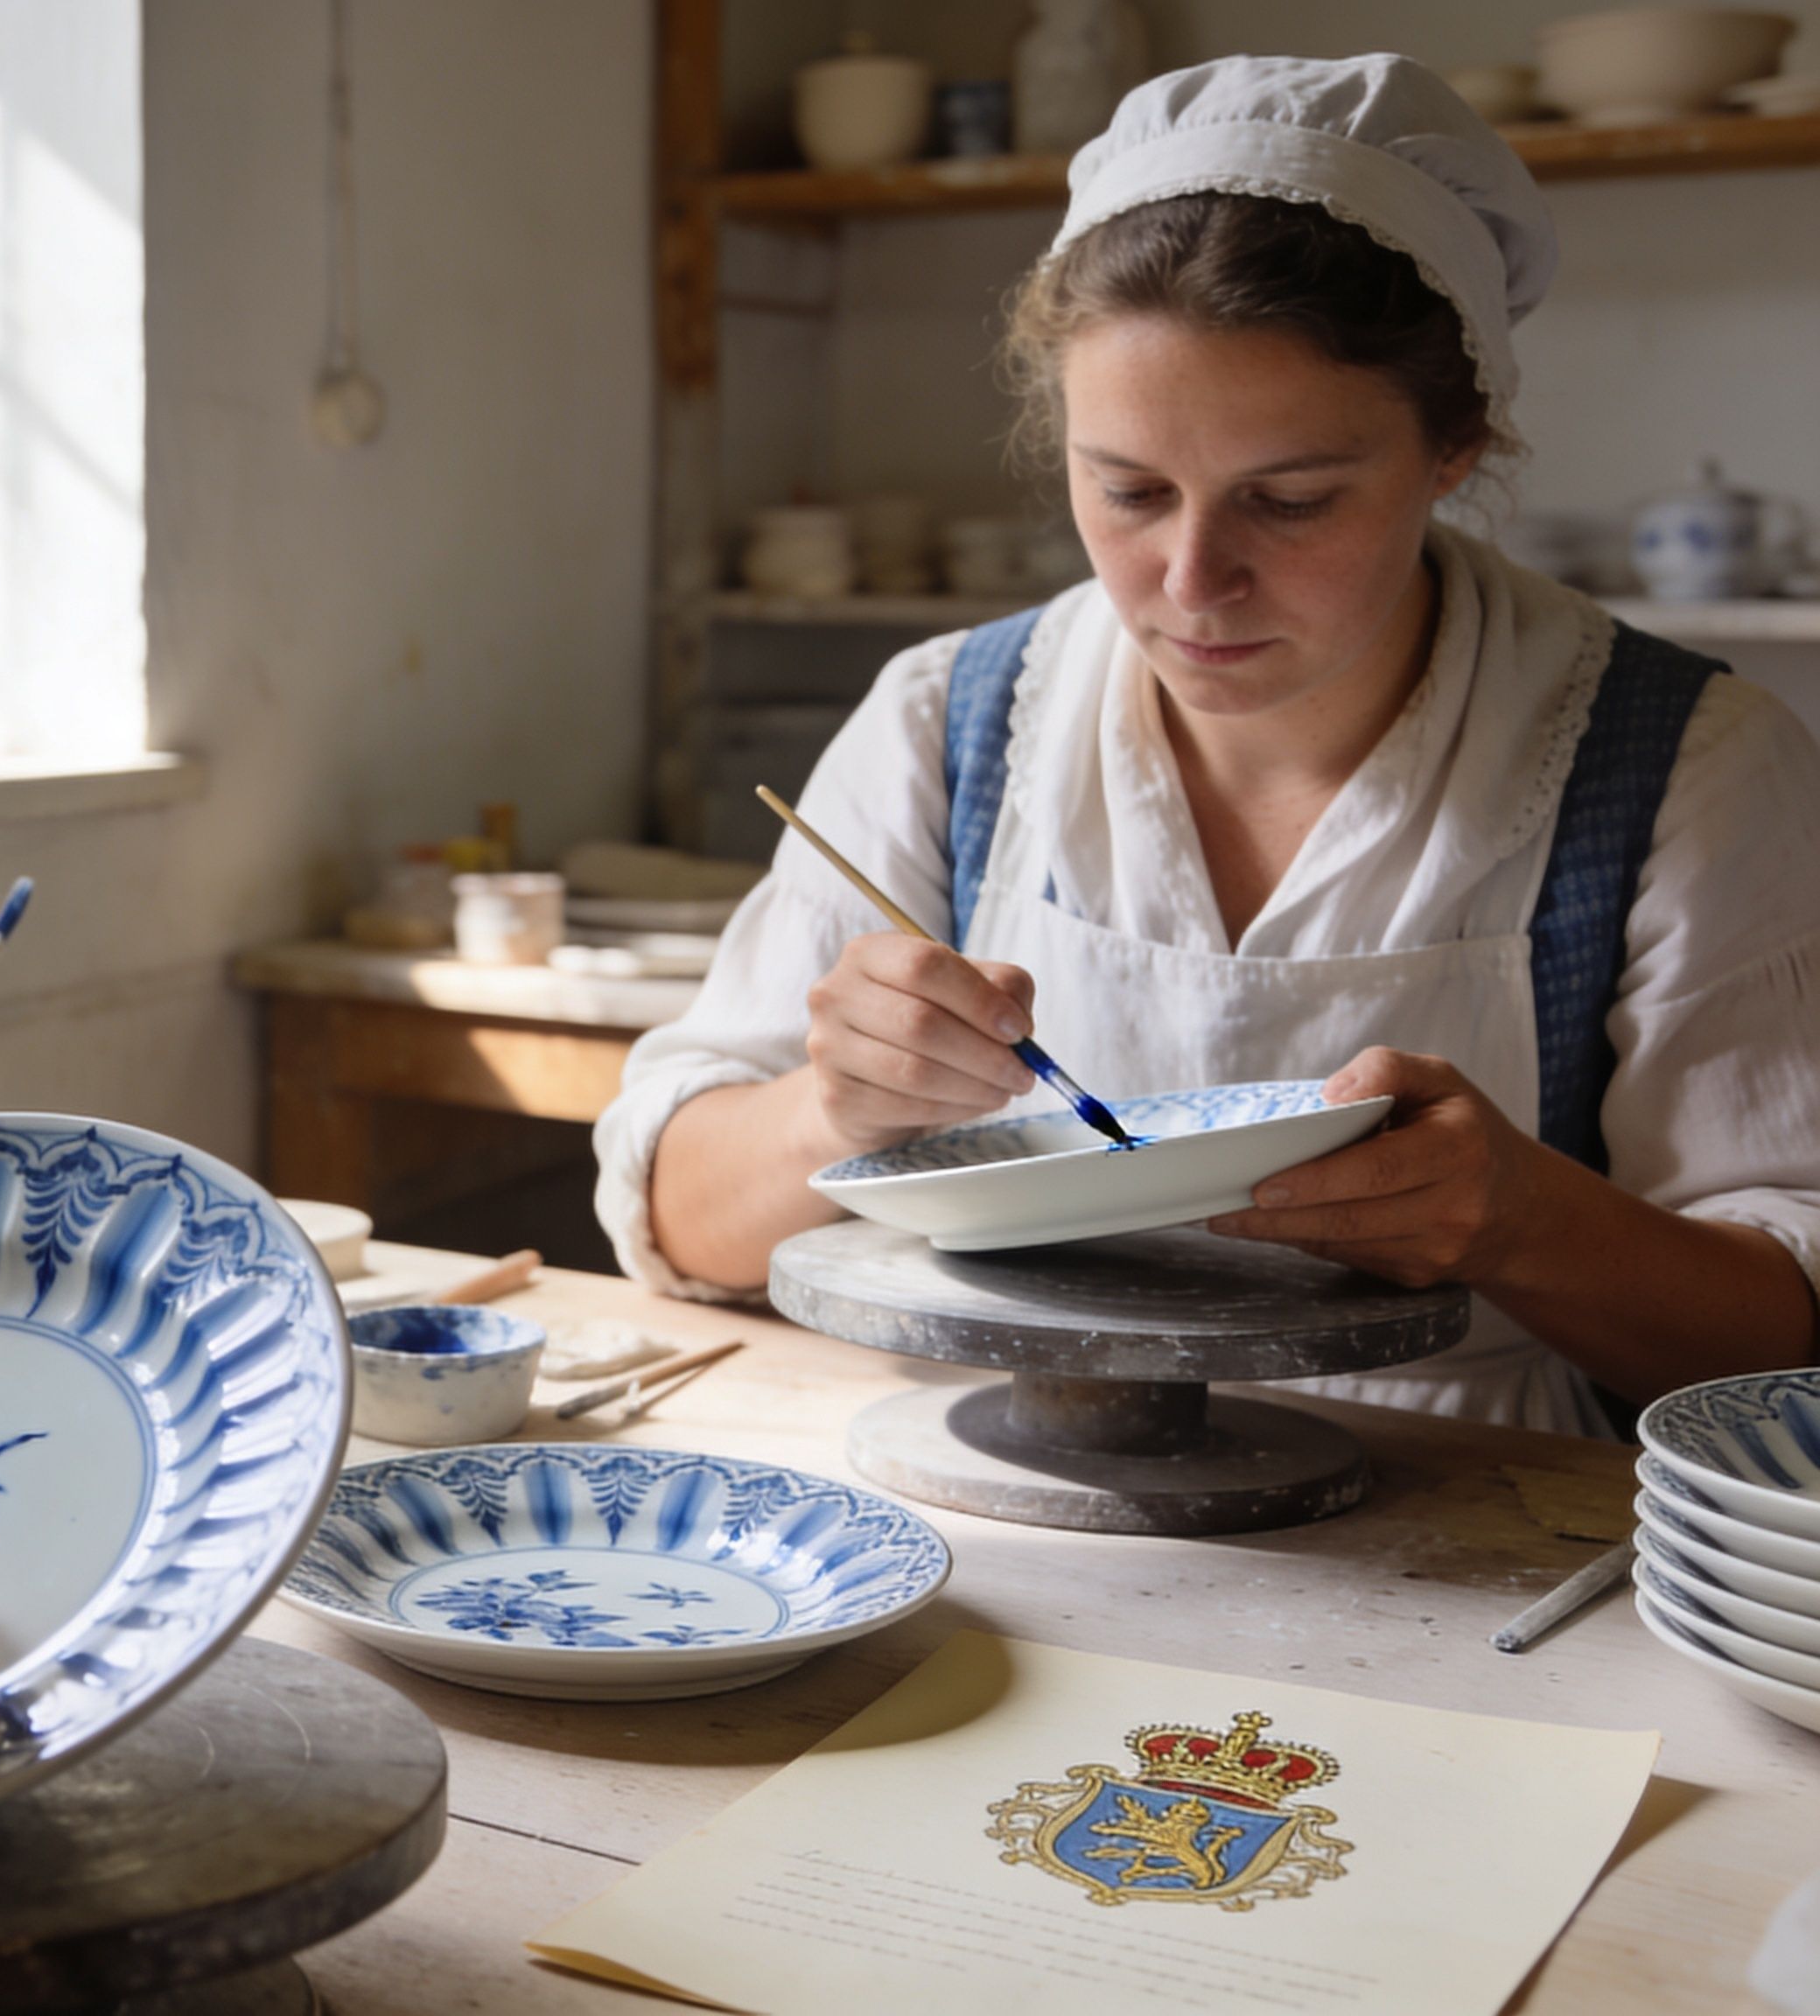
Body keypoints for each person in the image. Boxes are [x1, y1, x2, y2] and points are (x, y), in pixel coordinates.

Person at [604, 54, 1820, 1433]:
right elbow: (676, 1216)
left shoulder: (1683, 770)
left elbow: (1786, 1342)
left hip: (1478, 1545)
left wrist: (1525, 1222)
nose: (1190, 580)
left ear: (1456, 448)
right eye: (1126, 490)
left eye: (1290, 500)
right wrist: (835, 1114)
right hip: (995, 1507)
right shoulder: (954, 723)